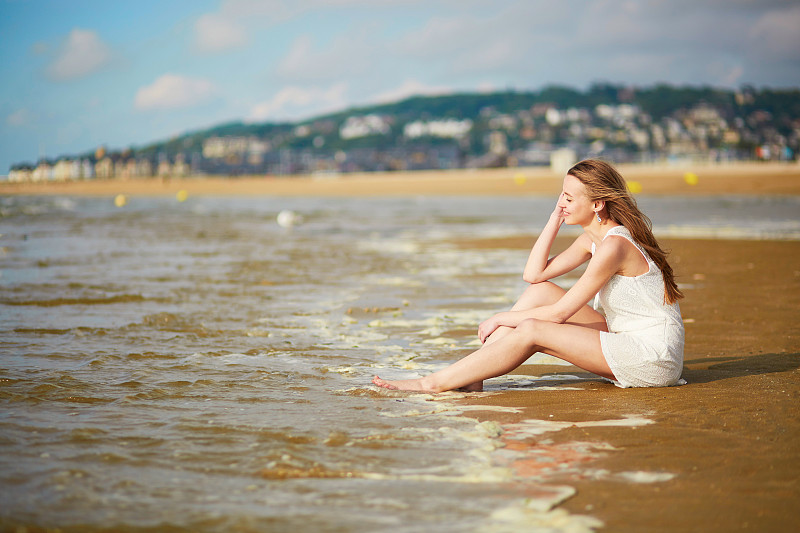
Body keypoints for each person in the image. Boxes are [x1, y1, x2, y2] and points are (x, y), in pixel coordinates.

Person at [373, 159, 685, 392]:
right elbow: (533, 275)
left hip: (652, 357)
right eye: (561, 195)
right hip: (624, 336)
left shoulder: (615, 245)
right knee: (542, 292)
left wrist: (500, 318)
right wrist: (554, 221)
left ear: (597, 204)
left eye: (568, 198)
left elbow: (561, 314)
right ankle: (473, 378)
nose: (561, 203)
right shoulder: (592, 240)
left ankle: (433, 383)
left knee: (533, 329)